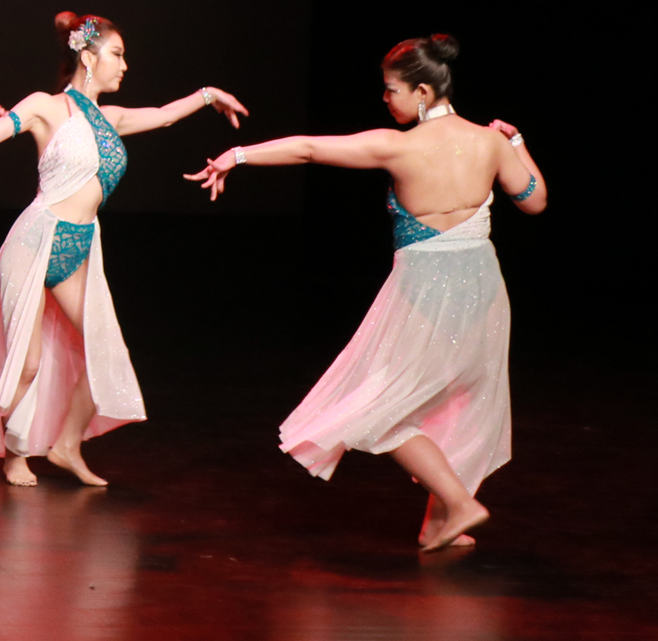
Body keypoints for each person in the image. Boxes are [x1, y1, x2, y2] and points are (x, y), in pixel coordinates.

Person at [187, 33, 542, 551]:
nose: (385, 99)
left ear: (423, 92)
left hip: (426, 289)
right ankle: (439, 521)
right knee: (459, 402)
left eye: (391, 89)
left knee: (378, 408)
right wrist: (516, 143)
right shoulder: (490, 143)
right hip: (483, 285)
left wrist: (237, 156)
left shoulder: (398, 146)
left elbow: (309, 149)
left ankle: (459, 503)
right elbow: (533, 199)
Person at [0, 11, 248, 486]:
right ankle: (15, 455)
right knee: (28, 362)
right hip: (34, 242)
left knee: (105, 351)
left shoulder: (111, 119)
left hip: (78, 246)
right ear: (87, 56)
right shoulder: (46, 106)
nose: (124, 65)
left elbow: (163, 115)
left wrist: (209, 95)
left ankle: (66, 447)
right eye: (117, 54)